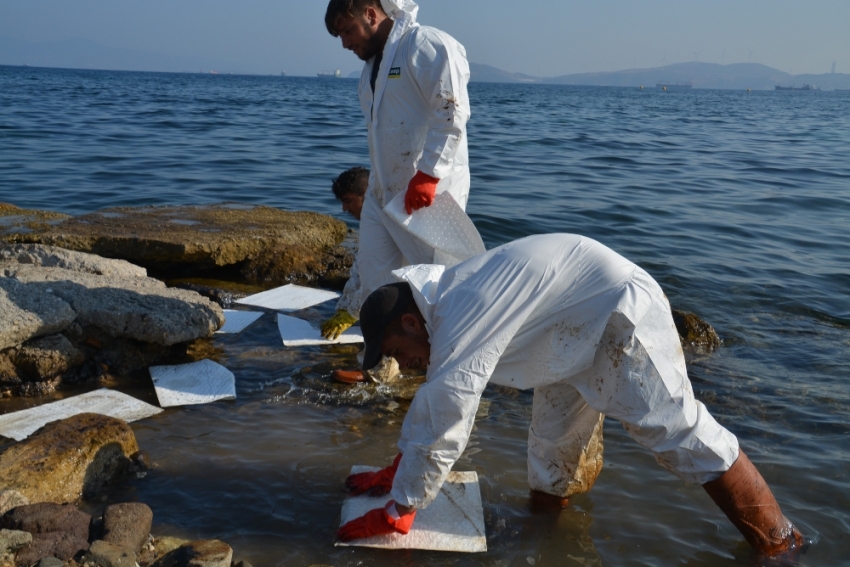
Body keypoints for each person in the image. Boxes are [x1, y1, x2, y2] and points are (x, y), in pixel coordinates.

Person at [336, 233, 804, 558]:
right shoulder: (442, 308)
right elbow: (436, 403)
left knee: (681, 434)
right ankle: (551, 544)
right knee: (550, 452)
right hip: (563, 336)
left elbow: (448, 410)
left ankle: (780, 544)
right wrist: (399, 471)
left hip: (618, 314)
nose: (404, 363)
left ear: (411, 322)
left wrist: (401, 508)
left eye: (398, 351)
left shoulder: (461, 310)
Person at [322, 0, 474, 349]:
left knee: (440, 286)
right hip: (381, 192)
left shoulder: (426, 45)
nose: (345, 43)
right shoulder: (371, 68)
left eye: (348, 30)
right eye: (339, 35)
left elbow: (451, 112)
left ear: (372, 15)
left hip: (428, 195)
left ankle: (446, 362)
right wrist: (347, 305)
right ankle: (384, 359)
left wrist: (429, 175)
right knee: (376, 277)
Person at [321, 167, 368, 344]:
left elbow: (377, 277)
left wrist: (350, 314)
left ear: (366, 194)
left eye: (348, 201)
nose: (344, 208)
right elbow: (359, 269)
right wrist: (343, 306)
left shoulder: (384, 225)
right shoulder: (368, 224)